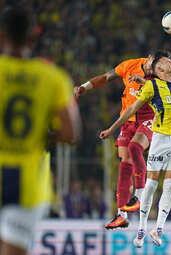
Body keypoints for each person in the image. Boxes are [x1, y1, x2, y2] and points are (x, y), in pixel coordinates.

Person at [99, 50, 171, 247]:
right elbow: (131, 109)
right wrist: (112, 128)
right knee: (151, 186)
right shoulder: (151, 86)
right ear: (159, 68)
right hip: (160, 140)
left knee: (169, 186)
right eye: (168, 60)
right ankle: (141, 230)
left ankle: (158, 230)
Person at [0, 6, 80, 255]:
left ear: (2, 36)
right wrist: (40, 134)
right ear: (33, 38)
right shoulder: (53, 78)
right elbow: (70, 134)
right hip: (29, 183)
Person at [74, 51, 168, 229]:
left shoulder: (160, 76)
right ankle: (121, 215)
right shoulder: (129, 65)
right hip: (128, 119)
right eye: (153, 65)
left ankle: (140, 195)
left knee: (135, 147)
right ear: (148, 59)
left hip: (150, 118)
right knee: (125, 163)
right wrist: (84, 87)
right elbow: (106, 77)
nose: (154, 69)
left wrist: (111, 129)